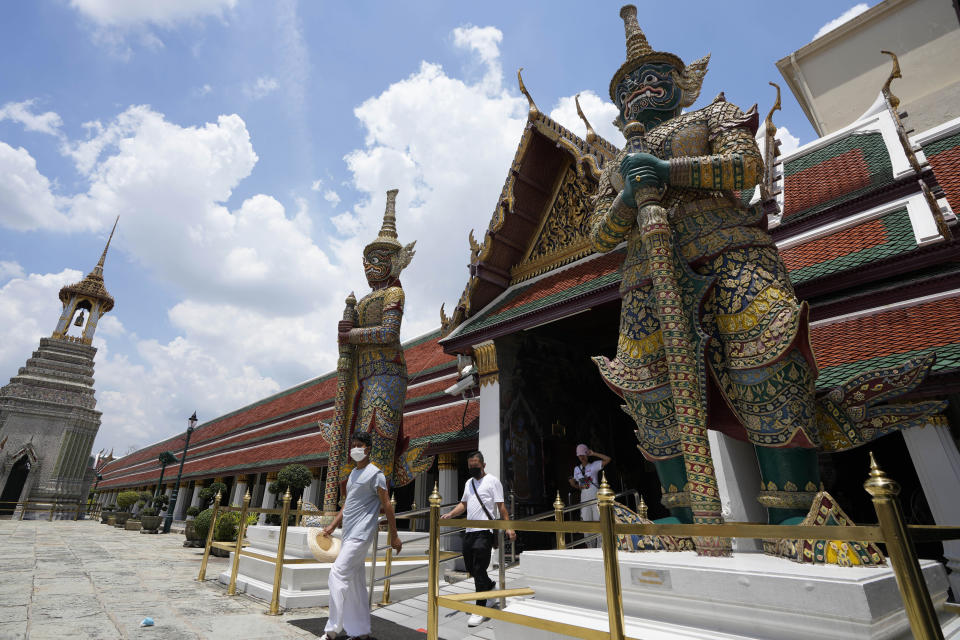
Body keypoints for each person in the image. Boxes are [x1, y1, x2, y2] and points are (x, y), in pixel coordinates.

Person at [320, 431, 402, 640]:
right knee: (355, 584)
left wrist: (394, 536)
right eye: (353, 444)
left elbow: (387, 506)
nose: (355, 448)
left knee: (337, 574)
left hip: (362, 533)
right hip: (348, 533)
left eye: (359, 445)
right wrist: (332, 526)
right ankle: (361, 631)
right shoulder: (353, 474)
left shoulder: (376, 474)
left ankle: (331, 630)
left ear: (368, 448)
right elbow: (348, 505)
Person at [441, 451, 515, 628]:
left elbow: (501, 507)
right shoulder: (469, 483)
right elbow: (464, 504)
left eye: (475, 465)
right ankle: (490, 588)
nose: (473, 468)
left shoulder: (493, 481)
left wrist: (509, 527)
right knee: (472, 569)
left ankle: (480, 608)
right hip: (470, 531)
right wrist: (451, 514)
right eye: (470, 466)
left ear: (483, 465)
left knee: (479, 567)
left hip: (485, 531)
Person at [568, 445, 611, 524]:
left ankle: (600, 537)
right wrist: (574, 485)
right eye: (580, 455)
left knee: (598, 521)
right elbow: (580, 487)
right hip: (584, 498)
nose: (582, 457)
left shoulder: (594, 465)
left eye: (583, 454)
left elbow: (608, 459)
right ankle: (588, 537)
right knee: (586, 522)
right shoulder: (577, 469)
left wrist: (594, 453)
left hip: (595, 497)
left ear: (587, 455)